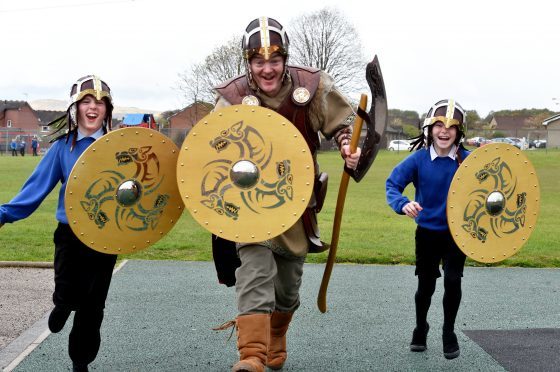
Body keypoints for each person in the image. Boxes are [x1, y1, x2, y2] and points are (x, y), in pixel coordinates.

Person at [212, 17, 361, 372]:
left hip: (296, 203)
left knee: (287, 287)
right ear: (248, 62)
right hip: (249, 205)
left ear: (285, 58)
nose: (267, 69)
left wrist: (348, 147)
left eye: (274, 60)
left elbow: (346, 124)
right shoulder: (232, 98)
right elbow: (211, 146)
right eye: (258, 61)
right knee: (254, 270)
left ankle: (277, 334)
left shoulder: (312, 86)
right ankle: (252, 353)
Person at [0, 75, 117, 372]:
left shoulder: (119, 147)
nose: (93, 108)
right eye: (86, 102)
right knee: (67, 289)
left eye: (100, 103)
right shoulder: (62, 148)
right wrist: (4, 214)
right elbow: (36, 188)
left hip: (107, 237)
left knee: (93, 307)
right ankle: (63, 303)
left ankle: (81, 363)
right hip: (69, 234)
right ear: (74, 108)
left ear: (107, 110)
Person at [385, 99, 470, 360]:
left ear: (460, 131)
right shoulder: (419, 159)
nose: (444, 131)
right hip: (427, 233)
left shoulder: (469, 161)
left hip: (458, 234)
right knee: (426, 286)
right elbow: (392, 184)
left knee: (453, 281)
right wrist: (403, 204)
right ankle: (421, 327)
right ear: (429, 129)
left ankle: (449, 332)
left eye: (451, 127)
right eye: (438, 125)